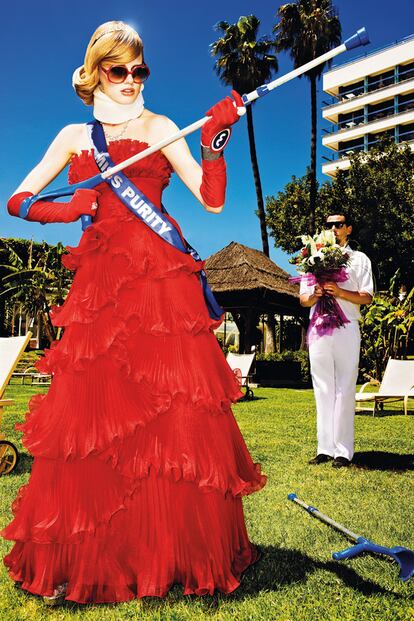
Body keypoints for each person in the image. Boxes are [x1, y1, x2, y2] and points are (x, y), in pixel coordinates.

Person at [1, 21, 266, 605]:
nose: (130, 81)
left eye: (138, 70)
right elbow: (18, 199)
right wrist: (69, 206)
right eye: (118, 70)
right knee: (95, 418)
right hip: (100, 283)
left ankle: (172, 548)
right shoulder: (74, 134)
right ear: (95, 72)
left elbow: (214, 201)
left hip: (160, 282)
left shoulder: (163, 126)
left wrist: (215, 140)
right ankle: (104, 547)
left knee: (171, 414)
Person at [300, 212, 373, 468]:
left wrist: (340, 292)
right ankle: (325, 448)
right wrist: (317, 294)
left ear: (348, 229)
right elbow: (303, 299)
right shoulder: (310, 258)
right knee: (322, 388)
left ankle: (343, 450)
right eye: (329, 225)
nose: (334, 228)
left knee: (344, 388)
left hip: (347, 328)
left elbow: (367, 297)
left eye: (339, 224)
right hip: (319, 328)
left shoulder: (360, 260)